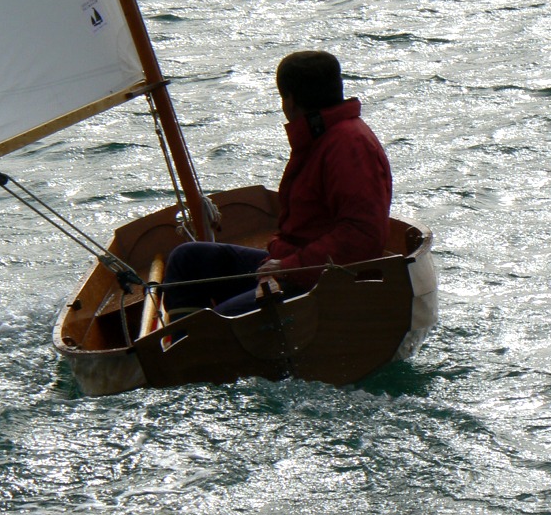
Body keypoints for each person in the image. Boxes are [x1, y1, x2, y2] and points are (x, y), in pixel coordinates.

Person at [162, 50, 392, 318]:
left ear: (290, 101)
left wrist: (289, 266)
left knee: (215, 323)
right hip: (295, 266)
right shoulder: (324, 137)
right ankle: (185, 346)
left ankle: (195, 348)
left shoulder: (348, 145)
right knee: (188, 259)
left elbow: (363, 236)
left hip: (323, 283)